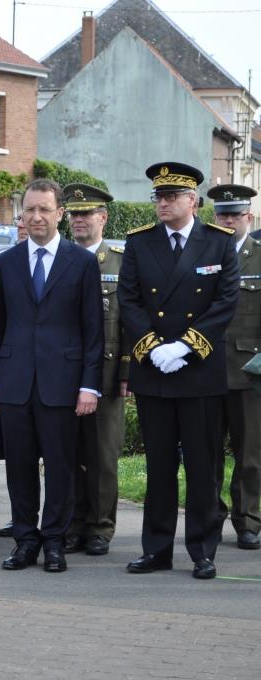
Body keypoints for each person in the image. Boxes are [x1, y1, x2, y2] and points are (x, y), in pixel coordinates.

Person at [119, 163, 239, 579]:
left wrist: (185, 347)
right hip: (155, 370)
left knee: (203, 467)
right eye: (159, 196)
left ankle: (203, 550)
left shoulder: (218, 243)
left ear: (193, 201)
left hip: (199, 372)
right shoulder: (139, 243)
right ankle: (156, 549)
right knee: (159, 466)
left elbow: (225, 303)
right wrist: (153, 348)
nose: (163, 203)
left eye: (172, 196)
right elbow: (129, 301)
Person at [0, 178, 103, 573]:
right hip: (16, 383)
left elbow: (93, 331)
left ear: (60, 214)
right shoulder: (8, 261)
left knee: (60, 466)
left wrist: (89, 385)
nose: (36, 217)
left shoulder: (82, 262)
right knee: (18, 467)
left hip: (62, 384)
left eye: (44, 210)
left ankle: (54, 541)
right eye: (29, 209)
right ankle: (25, 540)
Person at [63, 183, 128, 557]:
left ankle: (101, 527)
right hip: (65, 374)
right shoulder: (63, 257)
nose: (79, 220)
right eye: (74, 214)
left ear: (103, 217)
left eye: (86, 214)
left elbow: (130, 322)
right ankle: (72, 524)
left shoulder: (120, 259)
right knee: (68, 455)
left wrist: (126, 375)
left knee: (102, 456)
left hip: (105, 375)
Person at [207, 183, 261, 550]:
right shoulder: (201, 253)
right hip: (206, 369)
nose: (228, 221)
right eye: (222, 215)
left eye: (234, 215)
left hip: (247, 370)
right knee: (205, 453)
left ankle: (249, 521)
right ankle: (210, 518)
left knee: (251, 454)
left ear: (249, 217)